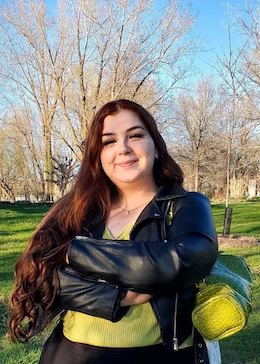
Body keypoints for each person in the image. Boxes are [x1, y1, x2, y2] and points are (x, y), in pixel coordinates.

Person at [9, 99, 218, 364]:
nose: (123, 148)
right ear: (98, 156)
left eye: (136, 135)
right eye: (109, 141)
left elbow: (181, 262)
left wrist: (73, 252)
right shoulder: (78, 208)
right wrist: (115, 297)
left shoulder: (186, 205)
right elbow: (38, 275)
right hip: (71, 353)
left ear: (155, 148)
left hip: (157, 356)